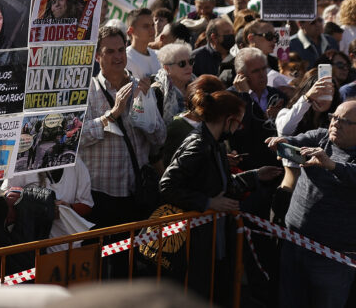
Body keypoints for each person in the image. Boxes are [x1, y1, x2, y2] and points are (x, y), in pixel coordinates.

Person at [159, 87, 281, 300]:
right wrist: (208, 202)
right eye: (239, 123)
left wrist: (256, 176)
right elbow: (167, 185)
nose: (238, 129)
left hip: (213, 237)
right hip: (196, 241)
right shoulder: (199, 145)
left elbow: (222, 185)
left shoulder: (213, 144)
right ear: (228, 120)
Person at [267, 100, 356, 308]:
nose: (335, 124)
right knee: (289, 300)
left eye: (343, 121)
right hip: (295, 241)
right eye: (334, 117)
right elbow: (295, 141)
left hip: (334, 257)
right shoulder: (321, 136)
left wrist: (332, 165)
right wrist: (282, 142)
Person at [79, 25, 166, 228]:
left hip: (138, 193)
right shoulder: (87, 91)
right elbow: (77, 137)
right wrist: (112, 114)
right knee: (105, 256)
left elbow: (160, 138)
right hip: (100, 195)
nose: (117, 56)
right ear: (97, 57)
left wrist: (145, 113)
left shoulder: (141, 88)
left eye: (120, 50)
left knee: (131, 257)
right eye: (109, 51)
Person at [153, 42, 194, 126]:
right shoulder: (157, 92)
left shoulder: (197, 85)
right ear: (167, 68)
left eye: (190, 62)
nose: (188, 67)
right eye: (182, 64)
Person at [125, 8, 161, 82]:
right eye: (146, 26)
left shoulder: (158, 55)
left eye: (152, 25)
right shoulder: (126, 59)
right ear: (131, 31)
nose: (152, 30)